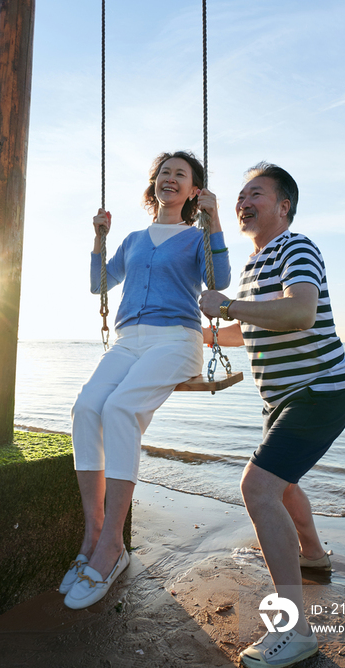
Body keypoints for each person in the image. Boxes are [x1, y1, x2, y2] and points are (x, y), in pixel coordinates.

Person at [199, 162, 345, 668]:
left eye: (255, 193)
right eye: (241, 195)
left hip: (319, 392)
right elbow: (260, 329)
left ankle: (294, 630)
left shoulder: (297, 247)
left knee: (258, 489)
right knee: (283, 488)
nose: (244, 201)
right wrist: (202, 333)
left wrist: (229, 309)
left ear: (283, 206)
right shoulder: (251, 265)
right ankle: (313, 556)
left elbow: (299, 313)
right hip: (283, 399)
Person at [61, 151, 230, 610]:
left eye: (182, 174)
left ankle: (112, 545)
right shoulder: (134, 239)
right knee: (86, 408)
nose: (170, 179)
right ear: (155, 184)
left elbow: (223, 277)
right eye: (165, 173)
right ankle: (94, 531)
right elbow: (99, 283)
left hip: (176, 339)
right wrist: (99, 238)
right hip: (128, 339)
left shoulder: (196, 237)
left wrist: (214, 222)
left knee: (120, 409)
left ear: (194, 191)